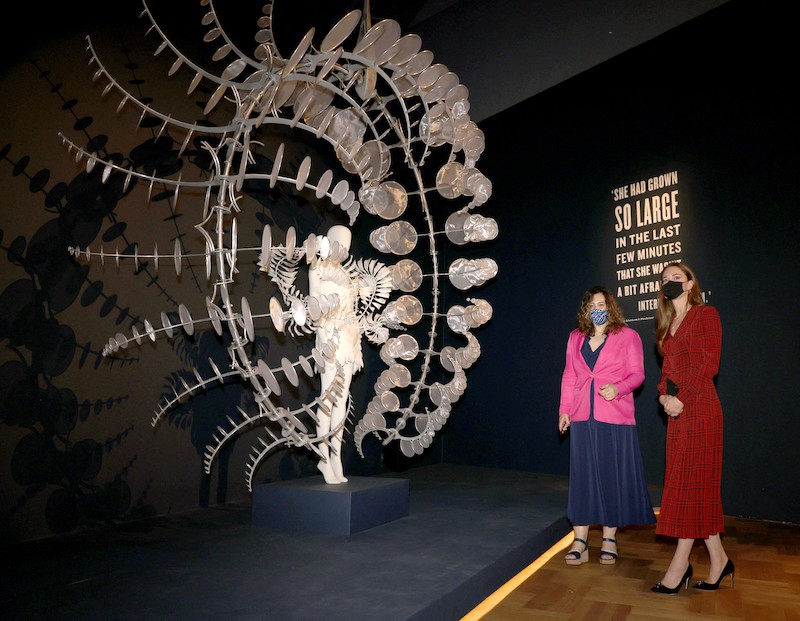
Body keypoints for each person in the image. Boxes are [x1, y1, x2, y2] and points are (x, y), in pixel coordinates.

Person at [651, 262, 734, 593]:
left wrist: (681, 398)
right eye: (664, 279)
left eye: (676, 278)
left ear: (689, 285)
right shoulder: (667, 327)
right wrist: (663, 397)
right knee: (694, 487)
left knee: (690, 486)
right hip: (677, 414)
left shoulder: (705, 315)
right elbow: (665, 375)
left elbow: (708, 364)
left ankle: (679, 565)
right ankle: (719, 560)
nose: (669, 282)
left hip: (701, 410)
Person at [558, 286, 656, 566]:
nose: (597, 309)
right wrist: (564, 410)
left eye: (601, 304)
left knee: (611, 477)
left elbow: (637, 374)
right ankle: (580, 540)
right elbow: (569, 375)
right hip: (581, 416)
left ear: (610, 307)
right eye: (592, 305)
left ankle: (609, 538)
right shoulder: (575, 337)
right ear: (585, 310)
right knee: (582, 478)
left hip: (614, 416)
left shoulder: (628, 336)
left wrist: (619, 388)